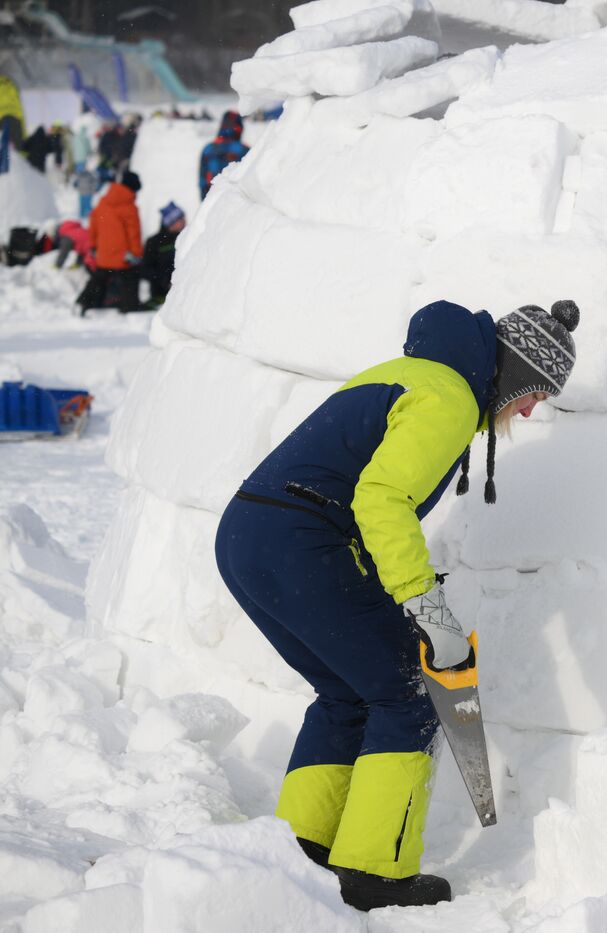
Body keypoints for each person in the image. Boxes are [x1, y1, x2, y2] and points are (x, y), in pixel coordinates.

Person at [215, 299, 579, 911]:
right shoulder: (450, 399)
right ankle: (373, 875)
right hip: (302, 542)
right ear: (517, 372)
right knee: (410, 692)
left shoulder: (415, 373)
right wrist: (429, 612)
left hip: (250, 536)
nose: (535, 407)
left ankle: (297, 850)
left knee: (348, 692)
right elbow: (380, 499)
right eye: (538, 391)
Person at [76, 170, 144, 314]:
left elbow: (93, 226)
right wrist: (137, 254)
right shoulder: (130, 208)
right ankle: (129, 306)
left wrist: (94, 246)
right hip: (124, 257)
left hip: (104, 255)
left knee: (99, 278)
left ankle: (84, 302)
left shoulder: (103, 202)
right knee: (130, 277)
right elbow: (134, 235)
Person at [141, 202, 184, 308]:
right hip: (159, 295)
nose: (184, 221)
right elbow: (146, 269)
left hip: (183, 293)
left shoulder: (186, 237)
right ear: (171, 222)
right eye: (180, 219)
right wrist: (164, 281)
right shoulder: (153, 242)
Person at [200, 110, 251, 199]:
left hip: (212, 200)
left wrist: (204, 202)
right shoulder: (245, 150)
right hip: (238, 202)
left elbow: (202, 180)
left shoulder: (208, 149)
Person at [0, 72, 23, 144]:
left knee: (5, 140)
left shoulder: (10, 87)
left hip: (4, 117)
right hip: (14, 117)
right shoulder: (12, 87)